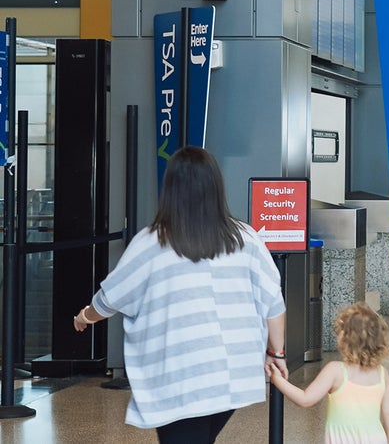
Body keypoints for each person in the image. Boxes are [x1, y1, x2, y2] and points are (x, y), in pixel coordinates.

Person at [72, 146, 287, 442]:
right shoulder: (245, 238)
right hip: (232, 375)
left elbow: (111, 297)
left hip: (178, 375)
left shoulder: (151, 242)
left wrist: (85, 316)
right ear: (215, 187)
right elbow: (273, 303)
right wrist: (278, 354)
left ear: (170, 189)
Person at [268, 303, 389, 444]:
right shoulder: (382, 374)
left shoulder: (335, 371)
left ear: (344, 341)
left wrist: (277, 379)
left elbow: (305, 399)